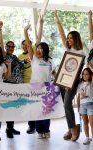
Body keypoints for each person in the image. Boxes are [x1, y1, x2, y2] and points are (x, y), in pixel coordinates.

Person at [55, 10, 85, 141]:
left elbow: (77, 71)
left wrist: (69, 84)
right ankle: (70, 127)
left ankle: (73, 129)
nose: (68, 39)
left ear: (76, 39)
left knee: (67, 104)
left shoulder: (81, 52)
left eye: (71, 38)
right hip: (64, 81)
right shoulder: (68, 50)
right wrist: (57, 19)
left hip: (73, 81)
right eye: (68, 38)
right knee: (65, 105)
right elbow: (61, 34)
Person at [24, 21, 55, 138]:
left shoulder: (50, 61)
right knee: (37, 110)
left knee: (46, 110)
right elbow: (29, 44)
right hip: (35, 88)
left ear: (45, 50)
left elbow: (55, 74)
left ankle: (46, 130)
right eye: (38, 48)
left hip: (47, 88)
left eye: (42, 48)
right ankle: (39, 131)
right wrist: (25, 31)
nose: (39, 50)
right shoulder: (34, 59)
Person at [19, 16, 44, 134]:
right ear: (21, 46)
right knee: (30, 106)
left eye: (27, 44)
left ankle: (41, 127)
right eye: (23, 44)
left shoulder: (34, 55)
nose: (25, 45)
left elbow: (38, 39)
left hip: (37, 84)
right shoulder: (19, 57)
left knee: (39, 105)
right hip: (26, 84)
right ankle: (31, 126)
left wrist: (40, 24)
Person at [0, 21, 22, 138]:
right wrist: (0, 29)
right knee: (9, 107)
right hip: (8, 84)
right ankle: (8, 129)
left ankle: (11, 127)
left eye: (13, 46)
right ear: (6, 48)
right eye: (9, 46)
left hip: (17, 85)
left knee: (14, 108)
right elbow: (0, 43)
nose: (11, 48)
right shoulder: (4, 56)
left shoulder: (15, 57)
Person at [77, 68, 93, 145]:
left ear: (90, 75)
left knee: (92, 123)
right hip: (82, 105)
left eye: (86, 74)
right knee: (85, 122)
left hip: (90, 104)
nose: (84, 75)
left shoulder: (91, 83)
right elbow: (79, 95)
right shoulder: (80, 84)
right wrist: (78, 106)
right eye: (83, 74)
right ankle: (87, 138)